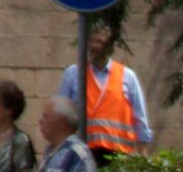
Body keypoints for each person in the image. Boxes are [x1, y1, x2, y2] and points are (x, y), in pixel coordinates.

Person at [57, 24, 153, 160]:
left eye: (100, 42)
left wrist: (142, 152)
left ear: (109, 46)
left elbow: (139, 117)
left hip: (118, 156)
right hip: (81, 154)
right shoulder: (73, 74)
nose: (94, 46)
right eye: (92, 41)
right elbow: (59, 114)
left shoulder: (127, 76)